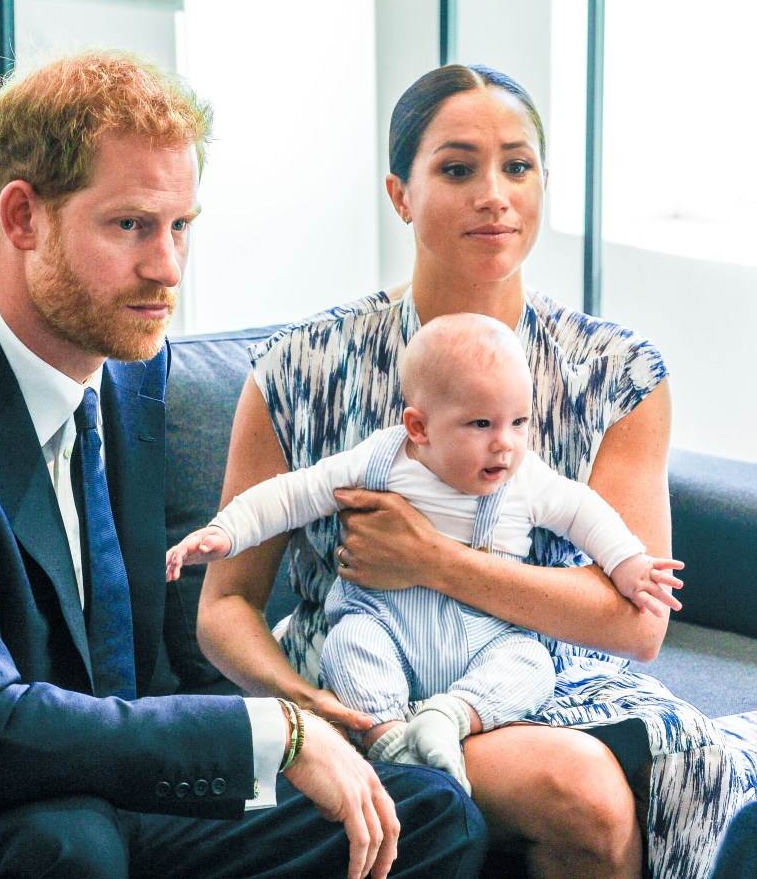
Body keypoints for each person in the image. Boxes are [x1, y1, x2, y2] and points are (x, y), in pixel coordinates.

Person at [0, 51, 489, 879]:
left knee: (422, 815)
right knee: (70, 848)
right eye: (130, 225)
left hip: (95, 783)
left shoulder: (128, 366)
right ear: (23, 217)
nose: (166, 268)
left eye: (181, 226)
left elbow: (138, 668)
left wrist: (289, 739)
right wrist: (275, 732)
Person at [197, 63, 757, 877]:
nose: (494, 193)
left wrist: (432, 561)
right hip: (362, 677)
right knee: (586, 792)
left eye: (517, 166)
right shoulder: (299, 366)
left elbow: (636, 624)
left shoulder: (616, 371)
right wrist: (304, 709)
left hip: (545, 675)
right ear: (401, 193)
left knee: (681, 777)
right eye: (457, 168)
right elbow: (226, 608)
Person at [168, 312, 684, 793]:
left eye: (519, 422)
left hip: (486, 632)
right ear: (418, 427)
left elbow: (585, 513)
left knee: (529, 662)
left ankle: (451, 715)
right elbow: (293, 493)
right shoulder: (382, 460)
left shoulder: (526, 480)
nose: (505, 444)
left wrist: (629, 564)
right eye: (480, 425)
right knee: (350, 645)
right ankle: (387, 736)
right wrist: (226, 532)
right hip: (384, 619)